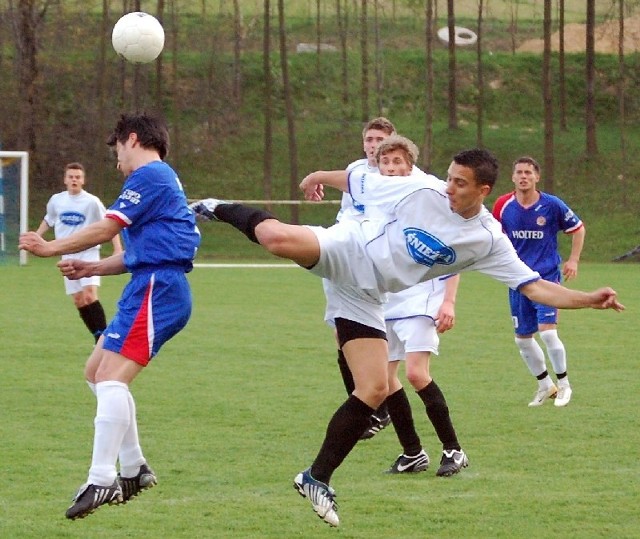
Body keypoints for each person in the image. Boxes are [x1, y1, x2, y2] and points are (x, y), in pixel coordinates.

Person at [189, 145, 623, 528]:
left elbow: (533, 286)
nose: (449, 187)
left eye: (460, 183)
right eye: (449, 177)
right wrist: (319, 177)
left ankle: (316, 478)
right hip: (349, 248)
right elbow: (360, 179)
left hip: (367, 296)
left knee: (375, 388)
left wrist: (588, 299)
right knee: (276, 238)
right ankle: (211, 205)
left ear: (483, 190)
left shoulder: (489, 240)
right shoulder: (421, 190)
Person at [19, 112, 201, 520]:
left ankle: (102, 478)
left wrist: (52, 247)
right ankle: (134, 467)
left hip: (159, 289)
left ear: (131, 139)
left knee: (110, 378)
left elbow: (105, 229)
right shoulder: (156, 179)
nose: (116, 156)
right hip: (148, 283)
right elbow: (138, 252)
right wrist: (90, 268)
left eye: (116, 146)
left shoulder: (151, 175)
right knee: (95, 371)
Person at [369, 136, 467, 478]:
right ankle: (412, 453)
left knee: (415, 373)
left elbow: (451, 252)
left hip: (424, 298)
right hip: (389, 301)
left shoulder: (427, 198)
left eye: (398, 162)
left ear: (410, 166)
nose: (392, 168)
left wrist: (449, 301)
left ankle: (454, 450)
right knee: (385, 378)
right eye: (386, 162)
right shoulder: (377, 202)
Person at [492, 156, 585, 407]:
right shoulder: (503, 206)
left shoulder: (551, 205)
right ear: (513, 177)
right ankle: (545, 385)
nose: (523, 176)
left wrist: (573, 260)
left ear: (536, 177)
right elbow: (494, 237)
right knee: (522, 339)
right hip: (518, 281)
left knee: (548, 333)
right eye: (519, 172)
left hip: (547, 279)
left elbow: (578, 229)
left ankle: (564, 384)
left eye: (528, 173)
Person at [327, 116, 397, 440]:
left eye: (379, 139)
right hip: (341, 261)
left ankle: (379, 409)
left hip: (371, 267)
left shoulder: (394, 176)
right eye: (369, 139)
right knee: (340, 337)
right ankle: (365, 411)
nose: (373, 145)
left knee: (378, 345)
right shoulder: (354, 170)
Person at [35, 163, 123, 343]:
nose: (74, 180)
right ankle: (98, 337)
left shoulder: (92, 202)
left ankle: (106, 339)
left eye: (77, 177)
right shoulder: (57, 200)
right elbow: (48, 220)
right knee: (79, 300)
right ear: (65, 179)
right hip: (67, 254)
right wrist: (36, 237)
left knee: (90, 294)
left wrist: (117, 248)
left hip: (88, 252)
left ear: (83, 180)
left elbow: (110, 223)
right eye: (71, 177)